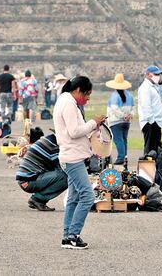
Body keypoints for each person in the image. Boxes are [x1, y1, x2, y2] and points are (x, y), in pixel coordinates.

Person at [54, 75, 105, 250]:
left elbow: (75, 131)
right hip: (72, 158)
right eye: (87, 94)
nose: (88, 98)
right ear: (77, 91)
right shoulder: (68, 103)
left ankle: (67, 235)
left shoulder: (66, 100)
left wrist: (93, 127)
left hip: (73, 156)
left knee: (74, 198)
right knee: (87, 196)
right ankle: (73, 235)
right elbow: (74, 131)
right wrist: (93, 122)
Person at [16, 131, 68, 211]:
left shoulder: (49, 140)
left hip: (27, 179)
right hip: (28, 181)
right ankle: (38, 199)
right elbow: (63, 167)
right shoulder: (53, 146)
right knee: (66, 177)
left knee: (64, 174)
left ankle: (38, 199)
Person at [106, 73, 136, 165]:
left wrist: (123, 116)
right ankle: (125, 157)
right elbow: (133, 108)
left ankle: (120, 158)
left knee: (118, 140)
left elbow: (114, 110)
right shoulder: (129, 95)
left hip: (116, 121)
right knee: (124, 139)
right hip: (126, 122)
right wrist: (130, 115)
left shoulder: (114, 96)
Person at [138, 65, 162, 156]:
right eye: (156, 74)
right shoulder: (145, 88)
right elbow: (146, 106)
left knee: (156, 150)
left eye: (159, 74)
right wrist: (152, 122)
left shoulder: (154, 86)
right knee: (150, 151)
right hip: (150, 123)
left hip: (156, 122)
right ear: (149, 75)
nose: (158, 76)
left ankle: (155, 169)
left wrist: (161, 84)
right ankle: (148, 169)